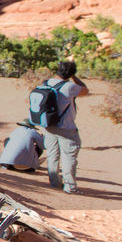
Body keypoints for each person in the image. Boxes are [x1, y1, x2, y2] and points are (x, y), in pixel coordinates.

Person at [42, 61, 89, 193]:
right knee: (69, 156)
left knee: (52, 154)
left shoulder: (46, 83)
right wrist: (74, 77)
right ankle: (70, 186)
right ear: (71, 73)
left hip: (48, 125)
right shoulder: (70, 87)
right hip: (66, 127)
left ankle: (54, 182)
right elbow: (86, 90)